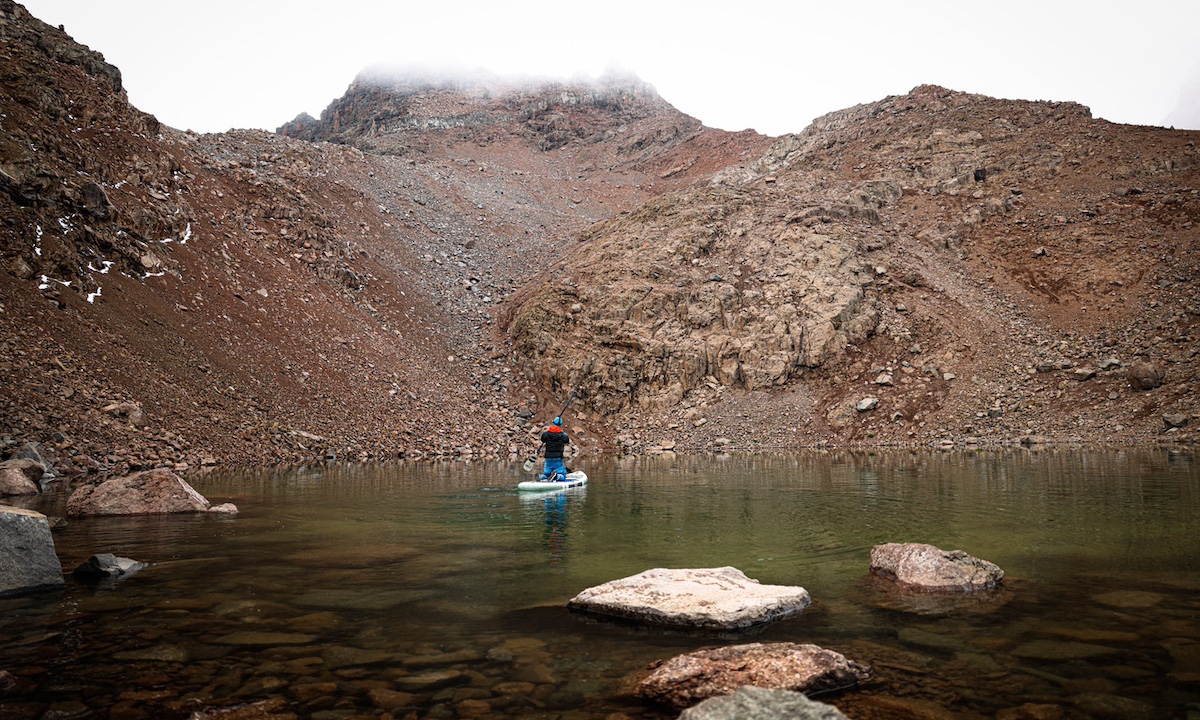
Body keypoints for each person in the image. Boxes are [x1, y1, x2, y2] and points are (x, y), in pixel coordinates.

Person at [540, 416, 570, 482]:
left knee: (547, 473)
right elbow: (567, 441)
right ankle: (557, 476)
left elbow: (542, 439)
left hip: (548, 458)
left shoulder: (546, 434)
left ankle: (543, 477)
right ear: (560, 425)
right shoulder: (563, 435)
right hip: (558, 458)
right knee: (562, 474)